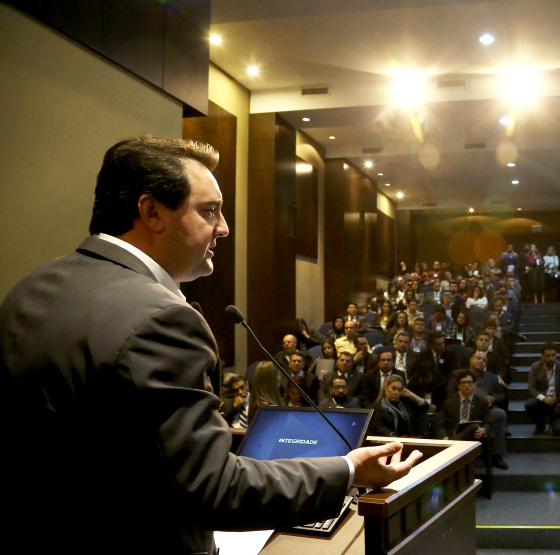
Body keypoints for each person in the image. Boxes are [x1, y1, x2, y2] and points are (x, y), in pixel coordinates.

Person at [0, 136, 419, 553]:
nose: (224, 228)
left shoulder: (32, 287)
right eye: (209, 211)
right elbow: (213, 488)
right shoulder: (162, 318)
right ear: (152, 212)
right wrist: (347, 470)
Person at [525, 343, 560, 436]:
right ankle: (540, 425)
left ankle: (559, 421)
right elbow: (531, 388)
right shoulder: (535, 367)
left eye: (553, 355)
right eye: (548, 356)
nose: (551, 358)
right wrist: (543, 398)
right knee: (530, 404)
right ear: (542, 356)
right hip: (544, 402)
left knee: (559, 432)